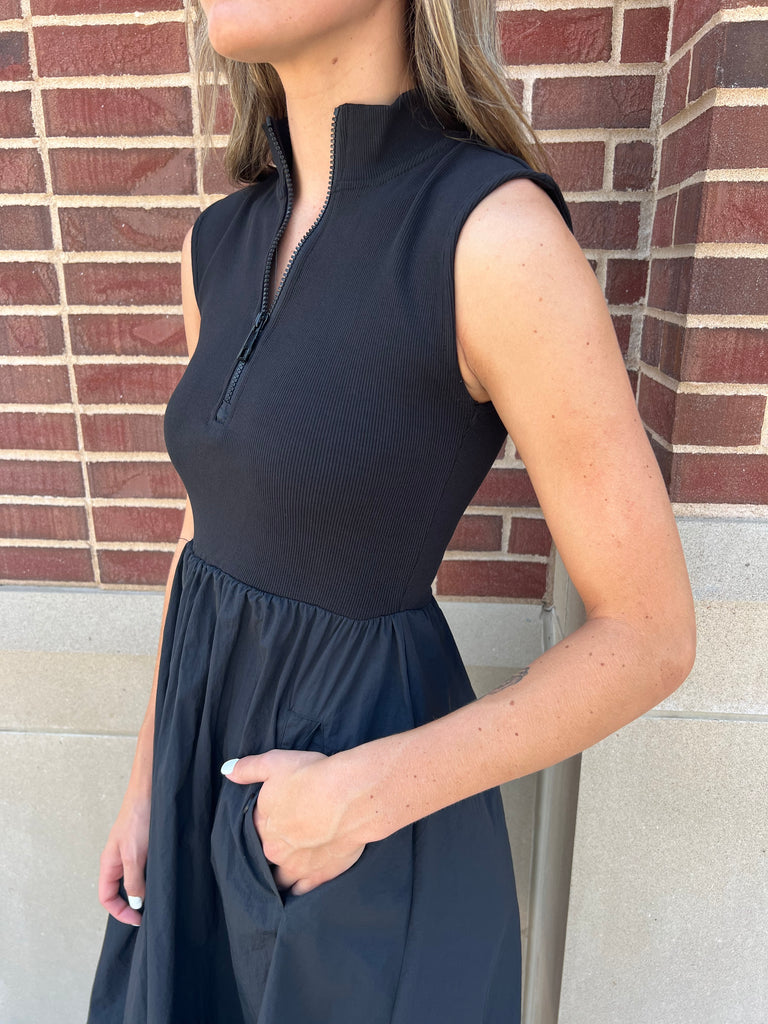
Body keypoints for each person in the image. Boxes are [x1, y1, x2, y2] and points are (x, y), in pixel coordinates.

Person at [86, 1, 697, 1021]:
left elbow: (651, 633)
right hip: (202, 778)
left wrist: (359, 798)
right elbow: (207, 524)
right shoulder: (218, 243)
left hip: (352, 808)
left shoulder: (490, 236)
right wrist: (149, 777)